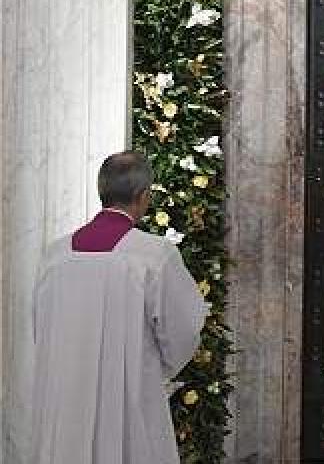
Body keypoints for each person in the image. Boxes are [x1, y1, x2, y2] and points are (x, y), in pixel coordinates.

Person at [32, 151, 207, 464]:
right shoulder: (153, 256)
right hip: (128, 399)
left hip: (64, 400)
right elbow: (184, 329)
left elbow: (41, 329)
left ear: (102, 191)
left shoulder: (55, 256)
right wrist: (153, 370)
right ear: (143, 195)